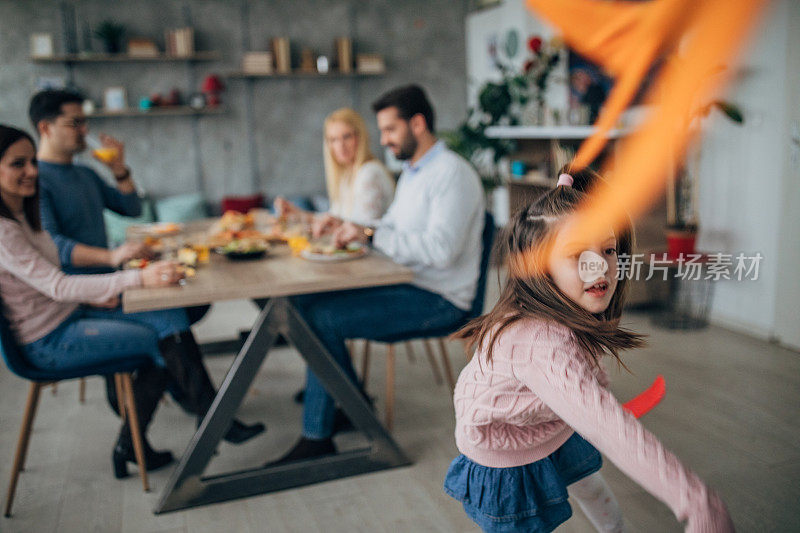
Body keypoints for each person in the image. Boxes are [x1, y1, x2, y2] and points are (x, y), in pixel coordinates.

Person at [443, 167, 734, 532]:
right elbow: (611, 430)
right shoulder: (540, 345)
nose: (600, 266)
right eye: (578, 253)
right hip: (505, 454)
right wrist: (695, 501)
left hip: (549, 423)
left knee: (590, 487)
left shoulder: (564, 309)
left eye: (608, 249)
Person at [27, 90, 264, 445]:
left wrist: (120, 169)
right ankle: (211, 417)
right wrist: (111, 257)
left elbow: (132, 207)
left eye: (84, 121)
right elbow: (55, 247)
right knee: (170, 317)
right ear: (45, 127)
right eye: (75, 122)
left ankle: (187, 400)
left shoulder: (85, 175)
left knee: (192, 300)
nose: (84, 130)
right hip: (86, 295)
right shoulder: (37, 183)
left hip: (113, 282)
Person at [268, 85, 485, 464]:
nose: (382, 140)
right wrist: (352, 224)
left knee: (319, 319)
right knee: (302, 304)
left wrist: (370, 233)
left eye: (389, 130)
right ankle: (351, 405)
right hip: (407, 283)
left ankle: (319, 435)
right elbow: (391, 227)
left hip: (440, 299)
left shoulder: (453, 174)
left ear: (417, 124)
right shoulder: (415, 173)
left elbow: (441, 251)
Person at [0, 125, 184, 476]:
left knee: (166, 321)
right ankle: (145, 439)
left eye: (31, 162)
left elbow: (45, 279)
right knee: (161, 342)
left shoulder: (25, 212)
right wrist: (136, 277)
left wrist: (100, 295)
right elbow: (56, 284)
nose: (32, 171)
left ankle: (169, 428)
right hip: (46, 340)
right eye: (17, 164)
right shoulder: (4, 230)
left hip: (69, 314)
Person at [274, 107, 394, 226]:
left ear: (360, 137)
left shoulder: (370, 173)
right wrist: (298, 214)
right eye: (333, 140)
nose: (340, 146)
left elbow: (362, 231)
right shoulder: (348, 174)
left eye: (347, 137)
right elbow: (336, 219)